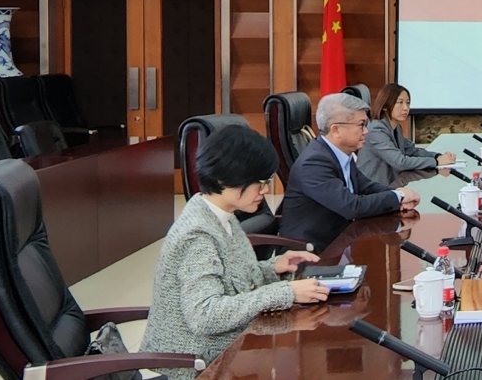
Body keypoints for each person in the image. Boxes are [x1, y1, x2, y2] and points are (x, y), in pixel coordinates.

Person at [141, 126, 329, 377]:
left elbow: (229, 278)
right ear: (224, 179)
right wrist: (285, 292)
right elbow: (205, 315)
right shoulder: (197, 235)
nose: (265, 191)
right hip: (198, 366)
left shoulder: (221, 215)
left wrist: (273, 268)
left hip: (225, 352)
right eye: (259, 183)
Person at [279, 93, 421, 252]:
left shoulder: (339, 153)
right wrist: (398, 197)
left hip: (340, 242)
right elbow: (352, 206)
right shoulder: (314, 163)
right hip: (311, 253)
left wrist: (398, 196)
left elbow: (366, 187)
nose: (366, 131)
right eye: (361, 125)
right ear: (336, 130)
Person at [357, 83, 457, 186]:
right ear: (385, 106)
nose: (406, 108)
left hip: (390, 186)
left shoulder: (396, 127)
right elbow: (400, 162)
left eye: (408, 103)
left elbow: (411, 151)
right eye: (400, 102)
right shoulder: (376, 130)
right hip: (371, 190)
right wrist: (436, 161)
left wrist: (438, 156)